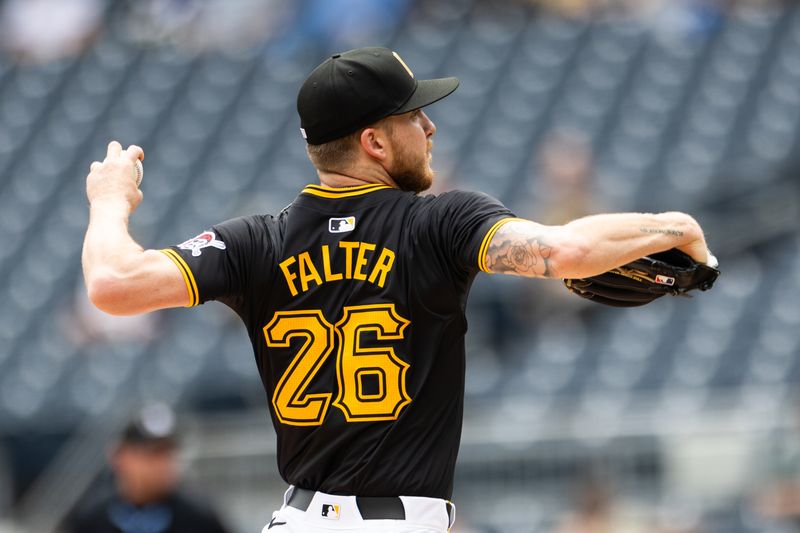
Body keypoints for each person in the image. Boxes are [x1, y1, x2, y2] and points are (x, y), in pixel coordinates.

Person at [81, 47, 713, 533]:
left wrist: (109, 201)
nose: (430, 128)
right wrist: (673, 225)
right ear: (375, 141)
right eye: (415, 115)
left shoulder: (253, 241)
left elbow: (112, 285)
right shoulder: (439, 221)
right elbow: (563, 252)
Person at [64, 404, 231, 533]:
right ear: (119, 456)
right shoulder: (92, 518)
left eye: (167, 453)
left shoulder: (199, 517)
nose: (161, 464)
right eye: (150, 453)